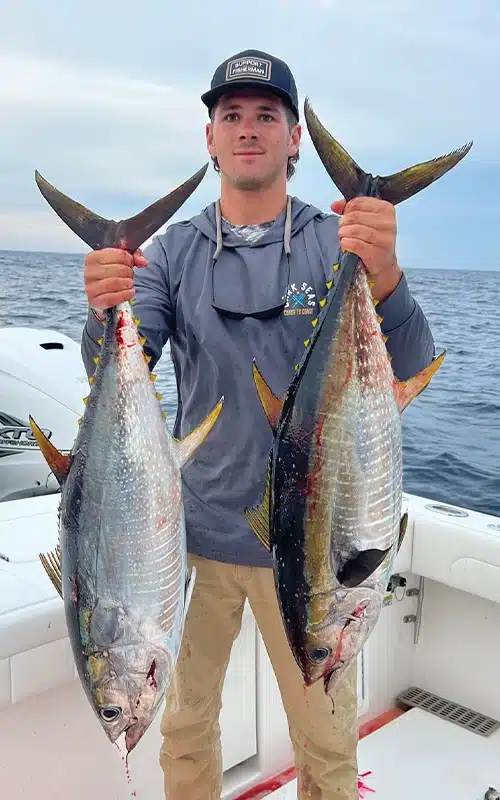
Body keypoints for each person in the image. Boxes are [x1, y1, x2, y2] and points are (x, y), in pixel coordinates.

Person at [81, 49, 435, 800]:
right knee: (184, 730)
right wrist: (103, 312)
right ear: (209, 137)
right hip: (189, 546)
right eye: (232, 115)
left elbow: (411, 364)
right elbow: (120, 372)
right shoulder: (170, 255)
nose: (248, 129)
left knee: (327, 741)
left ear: (295, 136)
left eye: (267, 115)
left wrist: (386, 273)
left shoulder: (335, 242)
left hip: (313, 547)